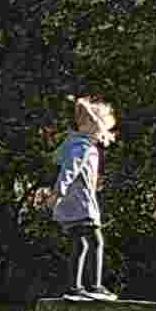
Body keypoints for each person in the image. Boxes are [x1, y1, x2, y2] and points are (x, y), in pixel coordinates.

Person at [53, 97, 117, 299]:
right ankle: (95, 286)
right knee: (96, 241)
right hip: (80, 203)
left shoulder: (75, 144)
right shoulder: (82, 147)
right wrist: (59, 192)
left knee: (81, 243)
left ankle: (76, 287)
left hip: (73, 203)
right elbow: (68, 171)